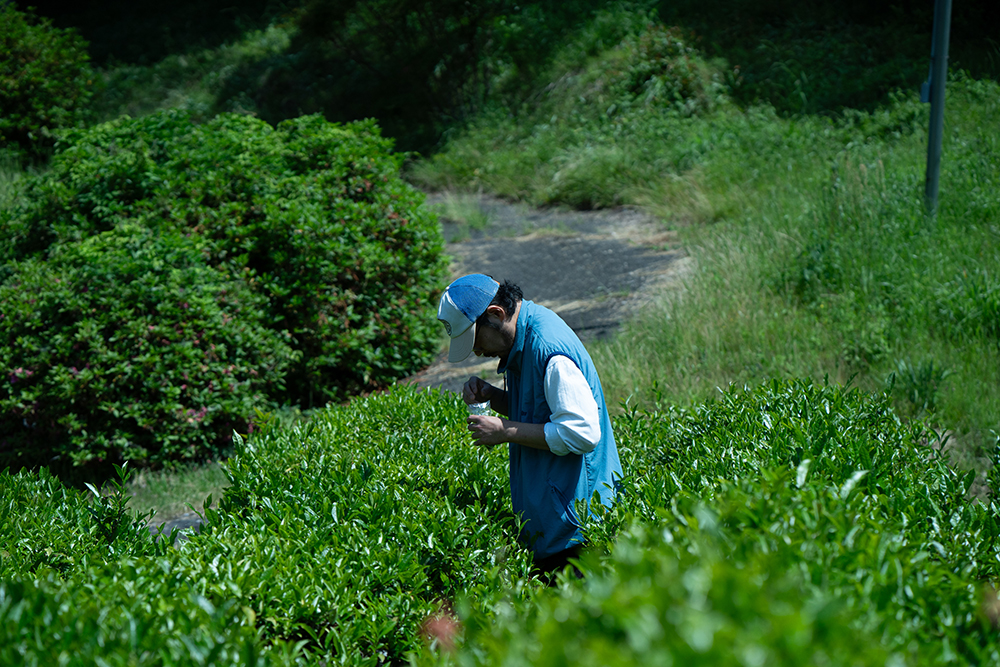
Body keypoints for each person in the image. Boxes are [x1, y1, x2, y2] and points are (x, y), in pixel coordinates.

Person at [436, 273, 623, 580]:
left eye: (475, 340)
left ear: (496, 315)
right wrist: (495, 397)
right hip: (555, 528)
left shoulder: (549, 350)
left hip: (578, 532)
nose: (478, 352)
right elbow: (543, 411)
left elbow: (582, 433)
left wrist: (504, 431)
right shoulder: (523, 340)